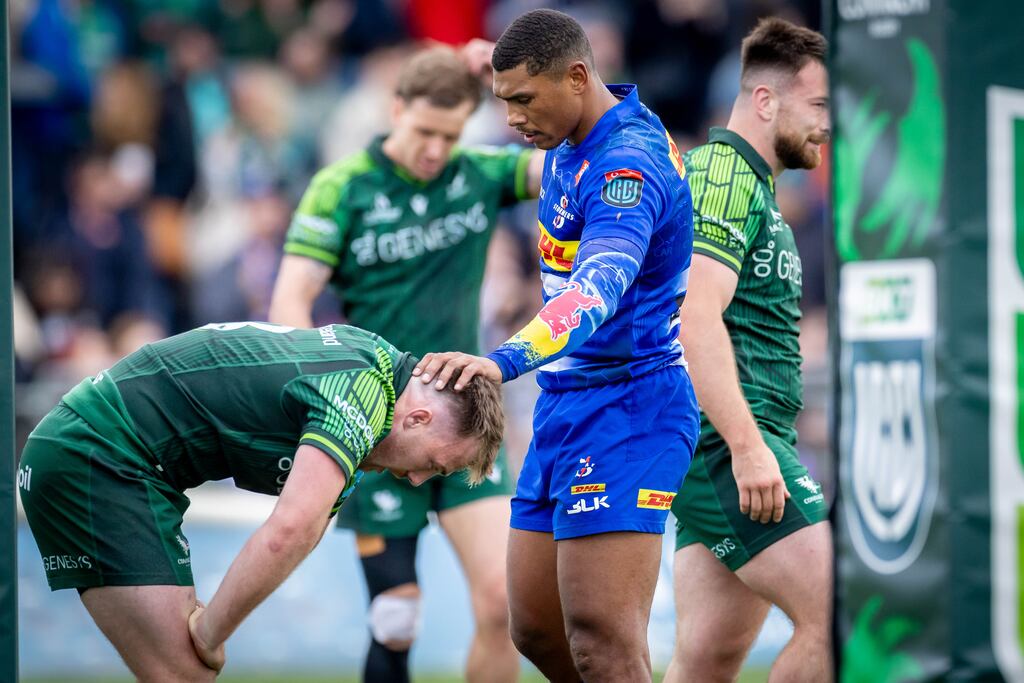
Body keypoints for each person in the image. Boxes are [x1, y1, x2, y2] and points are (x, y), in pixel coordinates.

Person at [414, 10, 699, 682]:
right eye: (503, 99)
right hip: (565, 406)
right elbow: (536, 71)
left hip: (633, 407)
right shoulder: (569, 117)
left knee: (603, 642)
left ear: (577, 78)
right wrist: (486, 57)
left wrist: (501, 358)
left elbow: (596, 289)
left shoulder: (625, 166)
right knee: (537, 628)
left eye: (521, 99)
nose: (512, 119)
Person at [267, 45, 542, 683]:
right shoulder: (341, 187)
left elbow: (579, 148)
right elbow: (291, 298)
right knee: (396, 620)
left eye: (449, 136)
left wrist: (518, 79)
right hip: (384, 428)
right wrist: (320, 395)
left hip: (466, 418)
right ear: (395, 109)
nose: (434, 150)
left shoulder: (480, 172)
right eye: (423, 131)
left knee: (503, 603)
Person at [18, 321, 503, 681]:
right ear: (417, 418)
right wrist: (210, 631)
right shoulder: (359, 396)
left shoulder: (375, 374)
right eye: (434, 465)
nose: (417, 480)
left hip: (124, 461)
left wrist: (215, 627)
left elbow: (306, 530)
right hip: (98, 454)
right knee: (185, 670)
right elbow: (290, 530)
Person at [663, 18, 833, 683]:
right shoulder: (724, 176)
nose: (827, 124)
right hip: (728, 444)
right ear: (765, 101)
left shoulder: (754, 186)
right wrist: (747, 444)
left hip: (728, 444)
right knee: (839, 618)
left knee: (706, 659)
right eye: (818, 106)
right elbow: (693, 318)